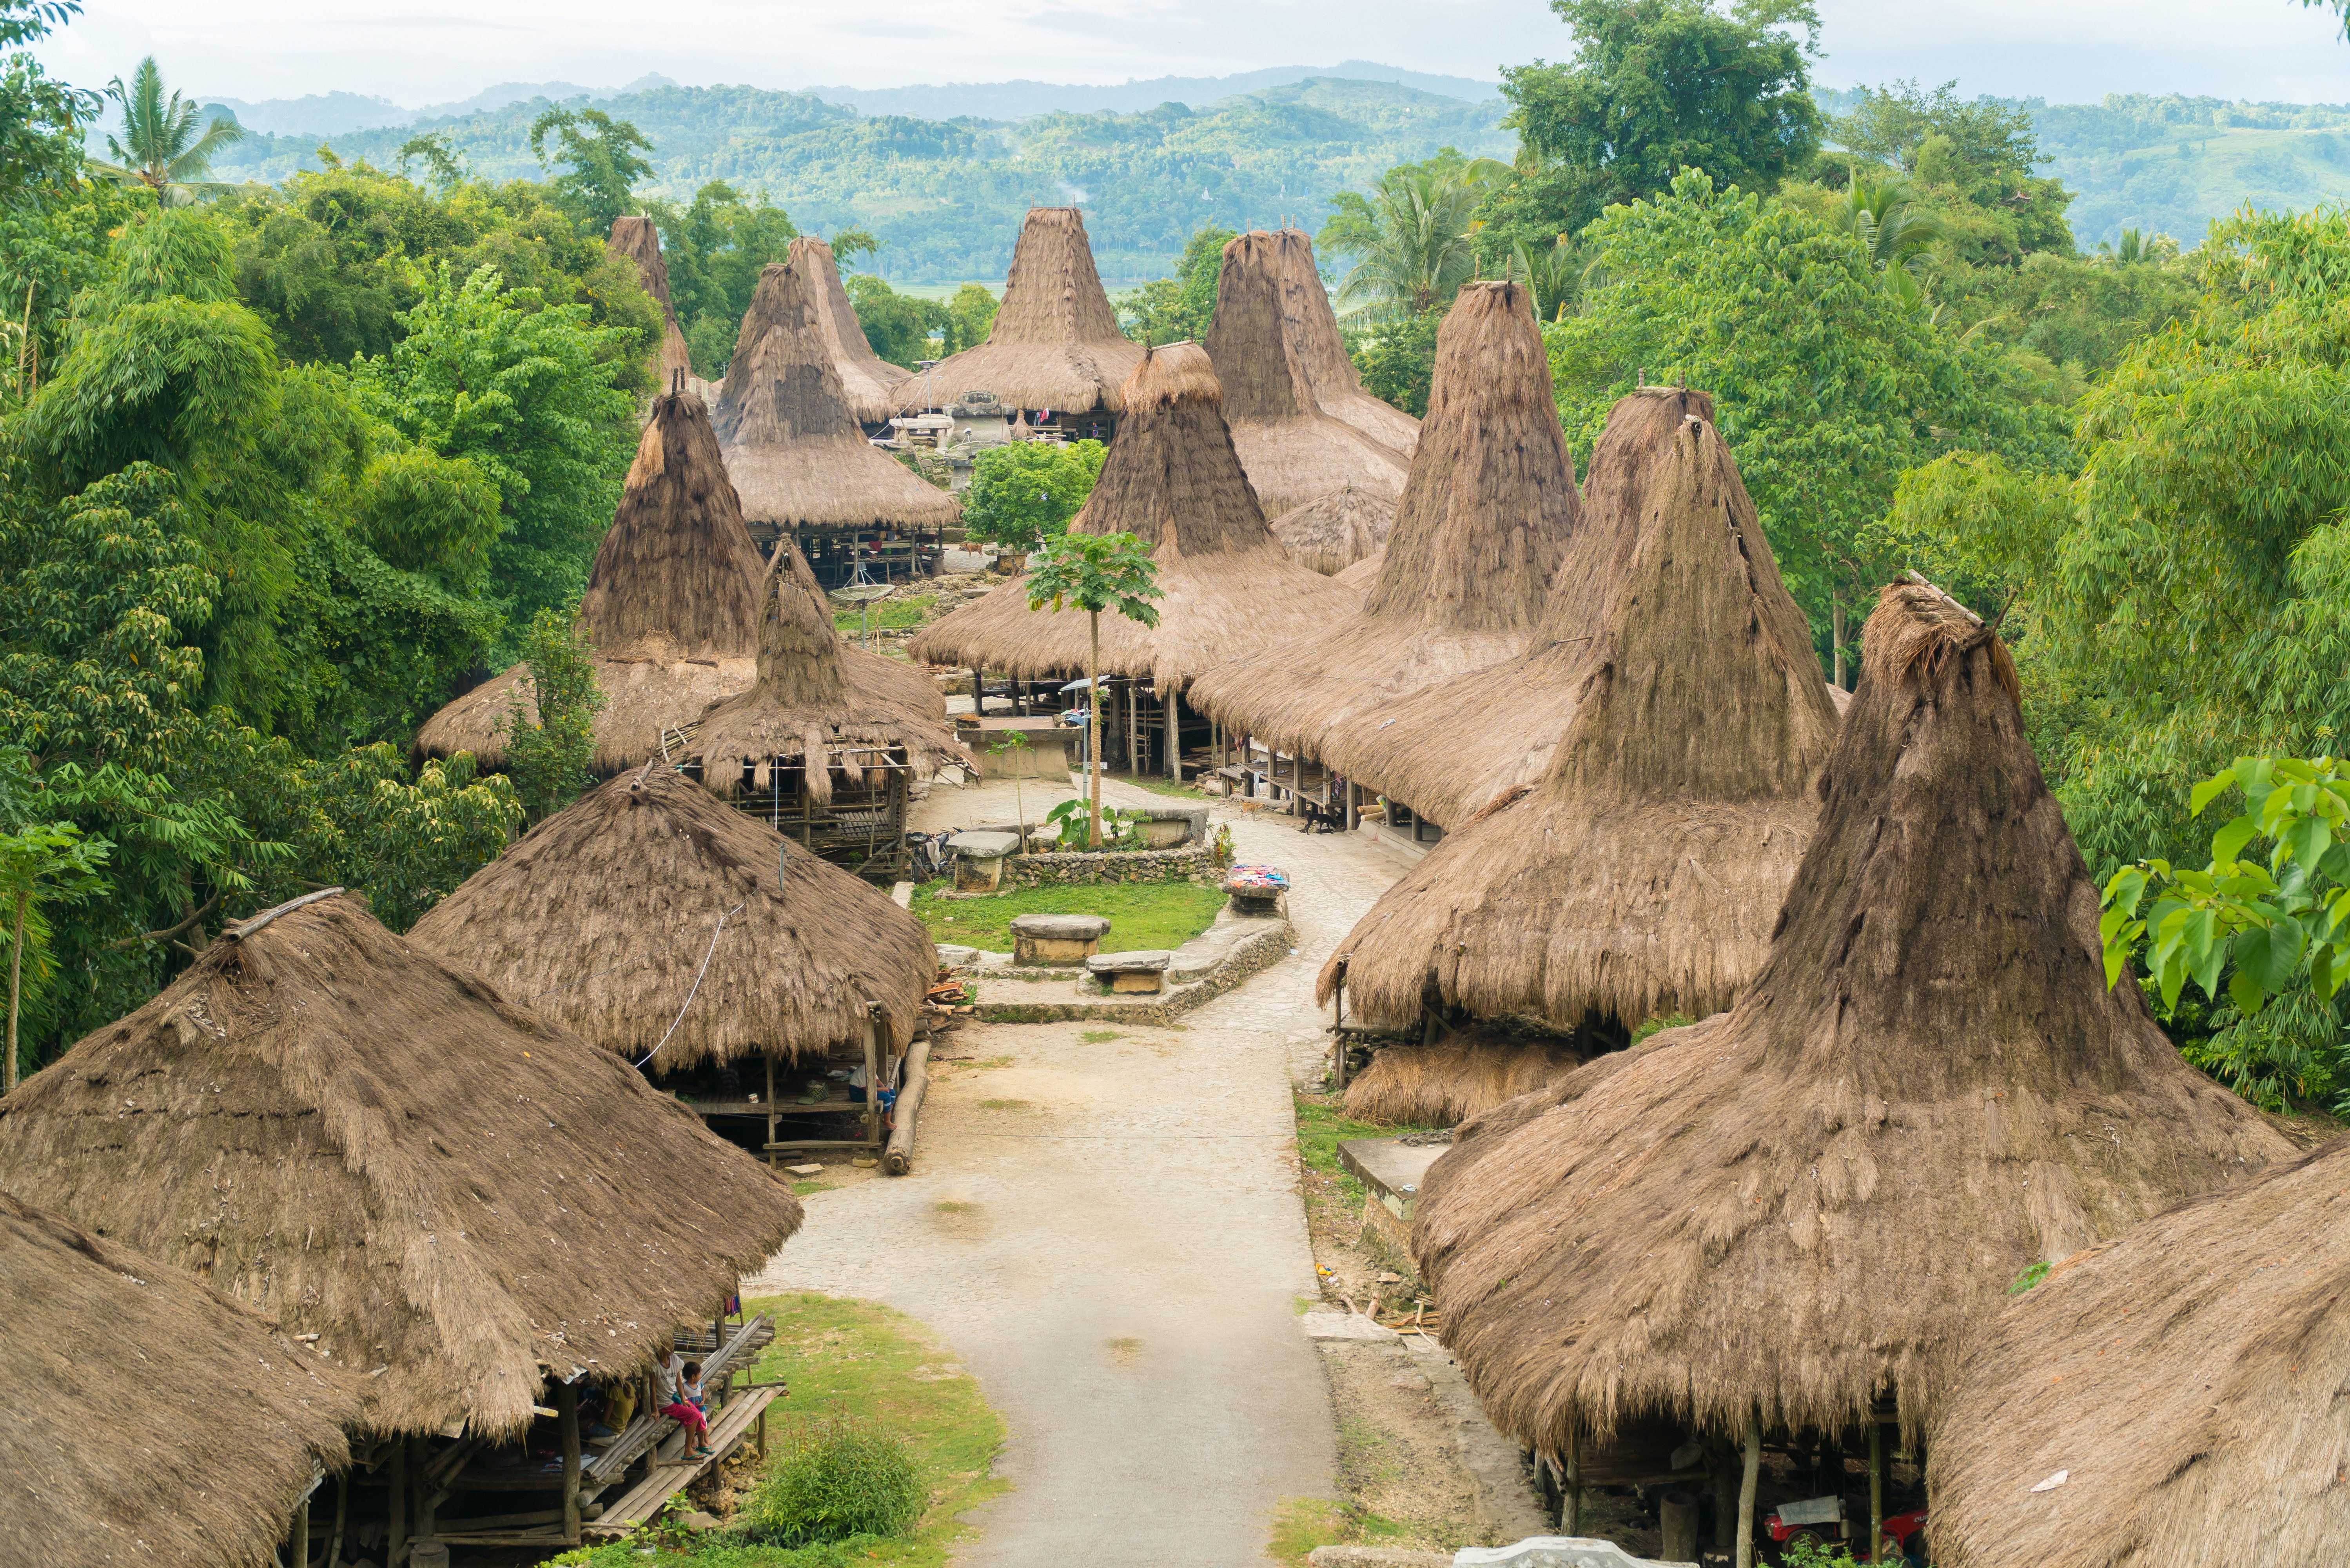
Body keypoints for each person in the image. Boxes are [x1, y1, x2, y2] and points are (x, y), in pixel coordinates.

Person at [652, 1347, 713, 1458]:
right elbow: (652, 1389)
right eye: (668, 1345)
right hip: (665, 1403)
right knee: (694, 1416)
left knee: (699, 1415)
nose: (672, 1347)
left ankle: (701, 1443)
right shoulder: (655, 1366)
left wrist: (683, 1399)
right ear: (661, 1347)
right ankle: (688, 1451)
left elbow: (678, 1382)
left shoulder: (675, 1360)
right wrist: (655, 1409)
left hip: (676, 1397)